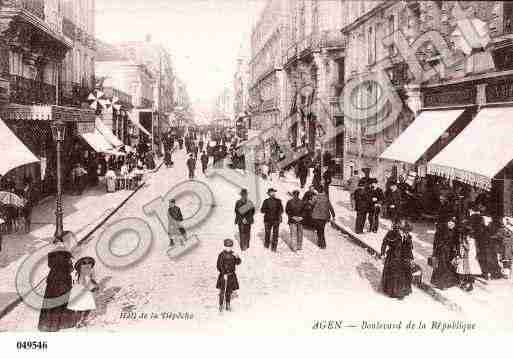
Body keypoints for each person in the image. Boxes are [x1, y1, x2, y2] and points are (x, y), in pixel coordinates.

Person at [38, 231, 77, 331]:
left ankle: (49, 324)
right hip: (62, 279)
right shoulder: (65, 253)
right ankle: (63, 323)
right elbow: (69, 267)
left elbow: (50, 265)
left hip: (53, 279)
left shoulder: (52, 253)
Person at [380, 220, 414, 300]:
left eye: (407, 232)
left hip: (403, 258)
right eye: (405, 231)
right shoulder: (392, 233)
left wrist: (411, 258)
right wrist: (382, 254)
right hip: (393, 257)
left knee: (403, 275)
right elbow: (384, 243)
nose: (406, 233)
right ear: (400, 229)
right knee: (393, 274)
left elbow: (409, 249)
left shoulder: (408, 237)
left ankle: (401, 292)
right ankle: (392, 292)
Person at [67, 256, 99, 328]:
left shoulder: (90, 272)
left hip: (86, 292)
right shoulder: (80, 273)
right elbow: (81, 282)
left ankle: (81, 320)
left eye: (89, 263)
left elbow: (92, 280)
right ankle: (78, 321)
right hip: (80, 291)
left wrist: (94, 285)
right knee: (80, 308)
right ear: (80, 265)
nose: (87, 264)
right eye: (84, 263)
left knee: (87, 307)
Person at [430, 221, 459, 290]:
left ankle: (446, 283)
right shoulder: (441, 231)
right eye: (450, 223)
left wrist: (456, 251)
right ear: (447, 223)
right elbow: (436, 243)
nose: (452, 225)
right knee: (442, 267)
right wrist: (436, 252)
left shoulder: (454, 231)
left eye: (453, 224)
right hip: (442, 252)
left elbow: (455, 242)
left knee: (448, 267)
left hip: (449, 252)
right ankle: (441, 284)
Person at [454, 221, 482, 291]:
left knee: (467, 270)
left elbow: (467, 248)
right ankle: (468, 283)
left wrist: (463, 243)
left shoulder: (467, 239)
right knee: (469, 271)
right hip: (471, 257)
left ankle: (469, 284)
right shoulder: (472, 239)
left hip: (468, 257)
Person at [216, 239, 241, 312]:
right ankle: (220, 305)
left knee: (229, 291)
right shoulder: (222, 255)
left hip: (231, 275)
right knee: (222, 291)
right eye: (227, 247)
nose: (228, 248)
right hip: (223, 276)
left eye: (230, 247)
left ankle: (227, 304)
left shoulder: (233, 254)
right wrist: (224, 274)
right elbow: (219, 266)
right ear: (224, 246)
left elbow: (238, 263)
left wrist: (237, 257)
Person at [260, 188, 283, 252]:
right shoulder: (266, 201)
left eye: (273, 192)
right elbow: (262, 210)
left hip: (275, 220)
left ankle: (274, 248)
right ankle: (267, 246)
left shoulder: (278, 201)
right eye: (271, 192)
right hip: (268, 220)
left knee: (275, 234)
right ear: (269, 194)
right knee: (268, 233)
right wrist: (268, 210)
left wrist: (279, 215)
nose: (273, 193)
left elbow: (281, 210)